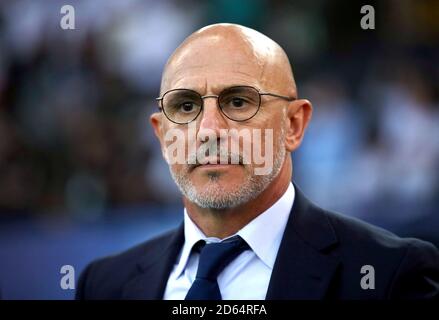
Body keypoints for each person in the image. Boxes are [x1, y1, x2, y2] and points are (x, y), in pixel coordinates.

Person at [75, 23, 439, 300]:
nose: (209, 130)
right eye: (185, 107)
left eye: (237, 102)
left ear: (294, 124)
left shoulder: (389, 275)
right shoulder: (104, 285)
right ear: (161, 135)